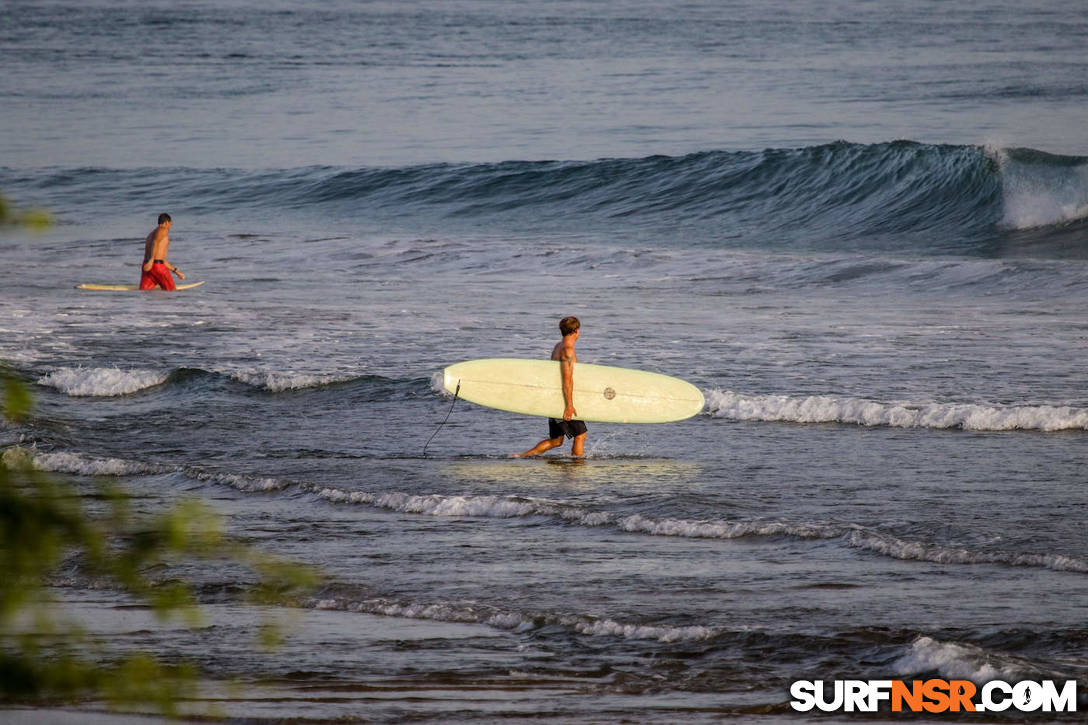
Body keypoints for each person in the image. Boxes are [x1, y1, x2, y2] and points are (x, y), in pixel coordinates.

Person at [514, 316, 587, 457]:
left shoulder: (558, 346)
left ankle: (521, 456)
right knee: (580, 435)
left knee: (556, 441)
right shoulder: (568, 350)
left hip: (554, 399)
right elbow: (567, 380)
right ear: (576, 331)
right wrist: (569, 405)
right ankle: (577, 467)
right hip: (562, 401)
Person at [139, 213, 185, 290]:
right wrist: (152, 260)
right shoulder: (163, 229)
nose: (170, 227)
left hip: (147, 266)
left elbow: (161, 258)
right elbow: (155, 243)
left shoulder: (151, 234)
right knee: (171, 291)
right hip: (156, 266)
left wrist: (176, 271)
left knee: (145, 291)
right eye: (171, 224)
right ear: (166, 223)